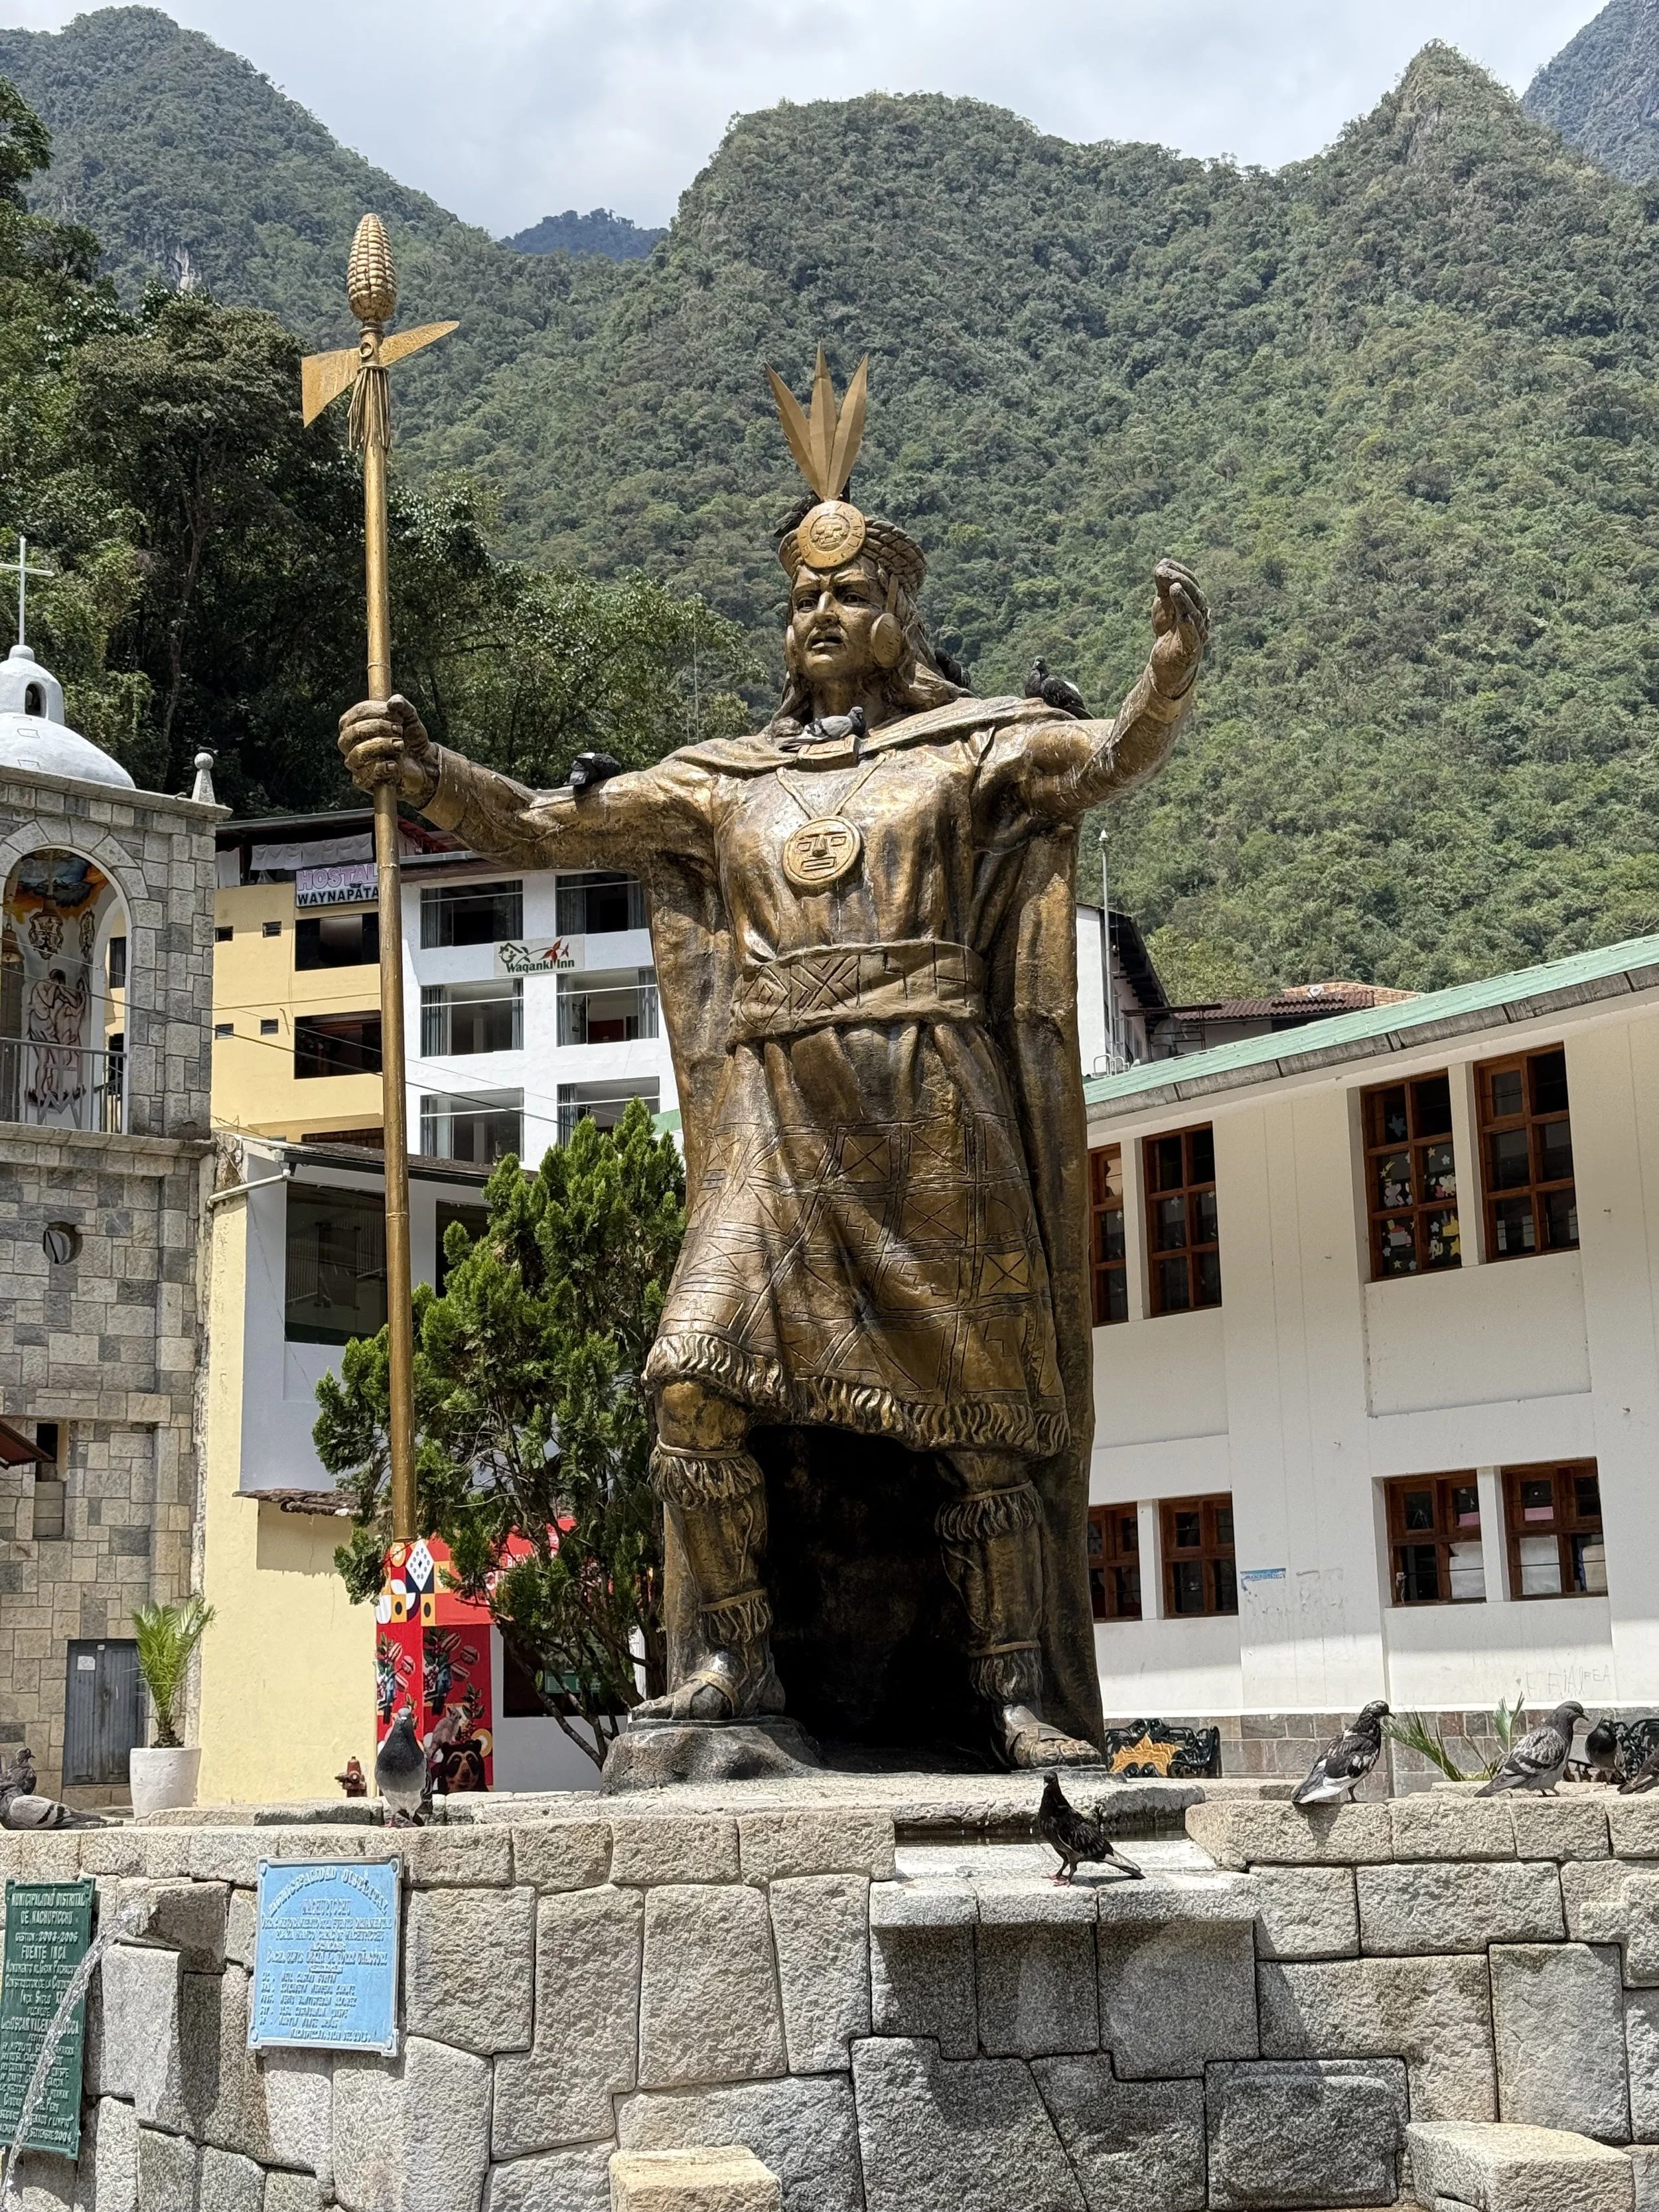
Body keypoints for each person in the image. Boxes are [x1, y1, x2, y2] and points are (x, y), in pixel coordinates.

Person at [338, 362, 1207, 1767]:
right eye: (802, 598)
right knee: (688, 1375)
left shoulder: (966, 747)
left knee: (982, 1414)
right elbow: (547, 826)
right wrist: (427, 772)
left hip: (931, 1103)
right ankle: (733, 1666)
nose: (820, 614)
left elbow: (1102, 760)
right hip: (775, 1117)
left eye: (849, 595)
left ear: (897, 616)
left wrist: (1162, 678)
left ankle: (1015, 1693)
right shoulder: (718, 780)